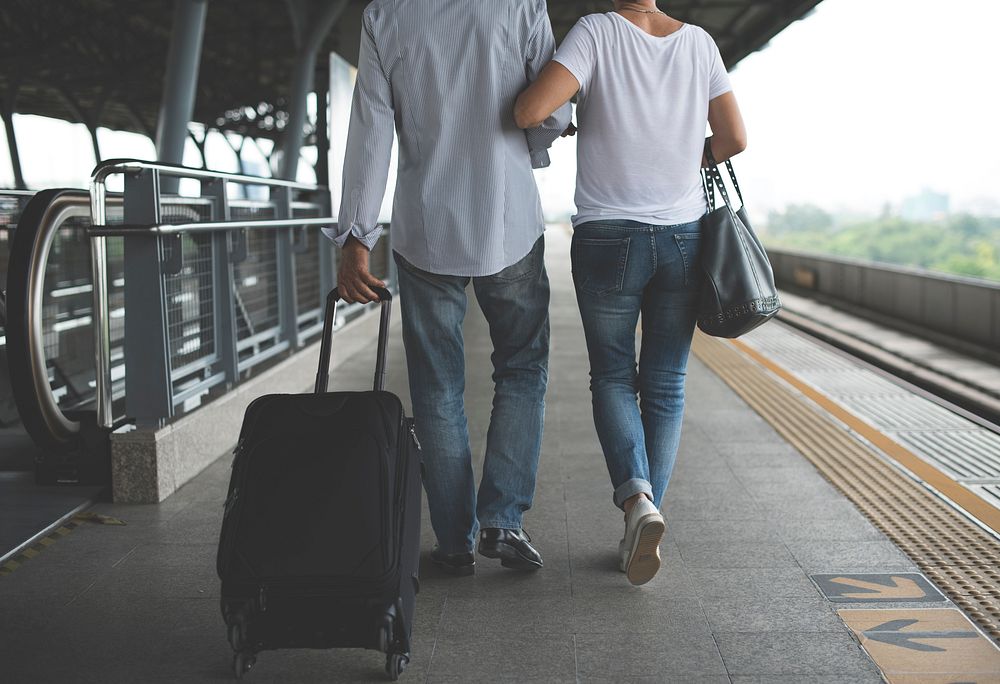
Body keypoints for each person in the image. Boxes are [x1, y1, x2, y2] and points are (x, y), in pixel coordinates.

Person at [328, 0, 572, 576]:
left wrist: (356, 238)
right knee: (522, 369)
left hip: (425, 229)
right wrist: (536, 148)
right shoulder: (520, 7)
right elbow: (551, 108)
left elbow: (371, 129)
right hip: (507, 220)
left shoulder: (384, 15)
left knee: (437, 387)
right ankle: (503, 521)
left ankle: (455, 541)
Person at [514, 0, 747, 585]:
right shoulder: (699, 43)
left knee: (614, 375)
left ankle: (638, 502)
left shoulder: (595, 33)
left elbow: (529, 110)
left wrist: (574, 114)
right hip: (684, 237)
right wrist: (679, 157)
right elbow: (735, 138)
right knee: (665, 382)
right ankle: (643, 516)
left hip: (607, 236)